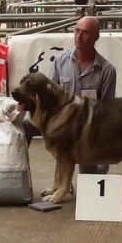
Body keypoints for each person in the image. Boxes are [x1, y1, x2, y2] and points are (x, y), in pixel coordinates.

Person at [23, 16, 116, 175]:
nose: (79, 36)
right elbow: (48, 96)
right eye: (77, 31)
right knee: (25, 124)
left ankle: (93, 169)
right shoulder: (59, 61)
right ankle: (20, 173)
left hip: (87, 127)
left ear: (96, 36)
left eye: (85, 33)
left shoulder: (107, 71)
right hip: (60, 122)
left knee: (90, 176)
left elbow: (106, 112)